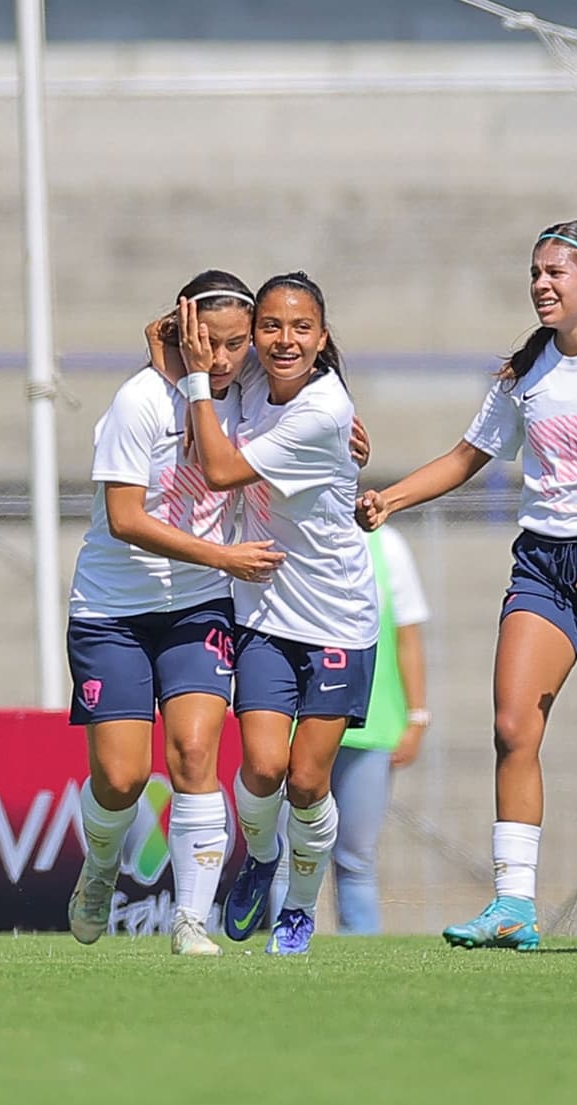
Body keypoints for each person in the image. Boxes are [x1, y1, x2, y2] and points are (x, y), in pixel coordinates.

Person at [358, 220, 577, 951]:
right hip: (543, 566)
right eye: (535, 272)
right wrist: (390, 499)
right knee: (513, 727)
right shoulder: (524, 372)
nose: (542, 284)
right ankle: (514, 906)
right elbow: (464, 457)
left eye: (557, 273)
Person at [66, 269, 285, 958]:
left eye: (234, 345)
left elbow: (306, 410)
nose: (220, 360)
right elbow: (125, 519)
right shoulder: (138, 402)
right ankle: (100, 866)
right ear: (183, 331)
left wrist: (348, 438)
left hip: (197, 605)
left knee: (195, 752)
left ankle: (193, 919)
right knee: (124, 777)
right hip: (113, 611)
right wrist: (222, 557)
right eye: (208, 344)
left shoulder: (247, 398)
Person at [175, 271, 379, 956]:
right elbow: (208, 319)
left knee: (305, 780)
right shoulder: (256, 377)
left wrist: (197, 380)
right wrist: (172, 344)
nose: (282, 340)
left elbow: (224, 470)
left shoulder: (323, 411)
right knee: (262, 769)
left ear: (323, 340)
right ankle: (260, 860)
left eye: (300, 328)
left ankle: (297, 905)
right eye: (272, 327)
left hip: (337, 619)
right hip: (263, 613)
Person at [266, 524, 431, 934]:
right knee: (285, 851)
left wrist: (416, 717)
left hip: (371, 726)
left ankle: (360, 950)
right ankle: (281, 943)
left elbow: (407, 638)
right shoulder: (283, 530)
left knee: (356, 856)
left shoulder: (387, 545)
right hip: (297, 725)